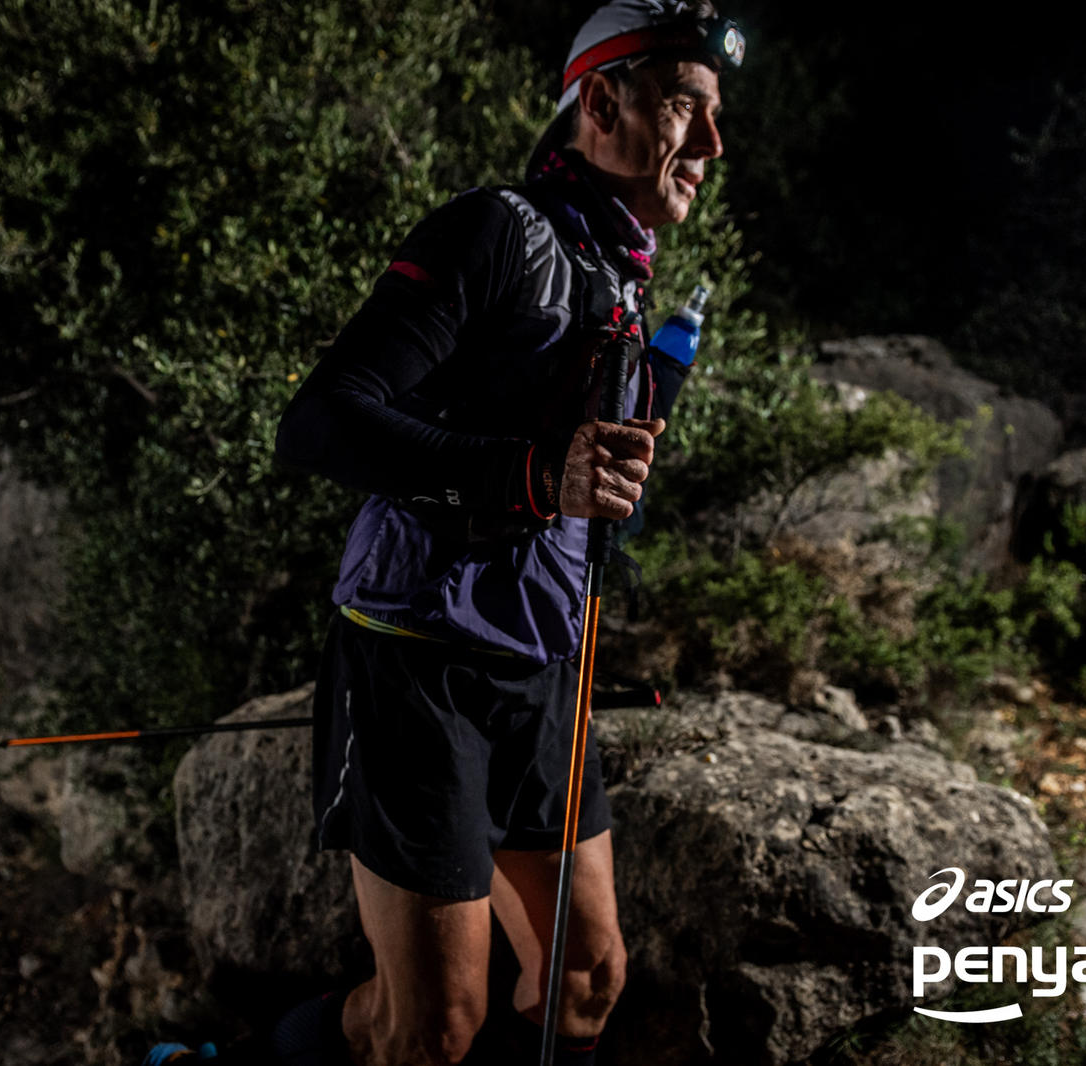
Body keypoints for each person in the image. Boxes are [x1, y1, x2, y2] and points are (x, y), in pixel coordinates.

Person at [264, 4, 741, 1064]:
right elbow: (321, 419)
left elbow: (581, 482)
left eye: (716, 117)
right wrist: (535, 474)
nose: (713, 144)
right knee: (431, 1027)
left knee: (585, 979)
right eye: (686, 107)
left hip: (539, 663)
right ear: (601, 101)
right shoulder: (497, 230)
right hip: (417, 658)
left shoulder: (621, 270)